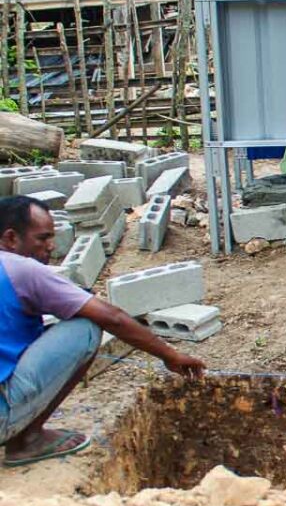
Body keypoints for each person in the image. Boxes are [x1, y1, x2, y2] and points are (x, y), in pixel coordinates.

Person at [0, 196, 204, 467]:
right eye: (42, 238)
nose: (51, 246)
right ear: (11, 238)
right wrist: (170, 355)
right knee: (85, 327)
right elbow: (113, 318)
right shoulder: (22, 270)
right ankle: (28, 440)